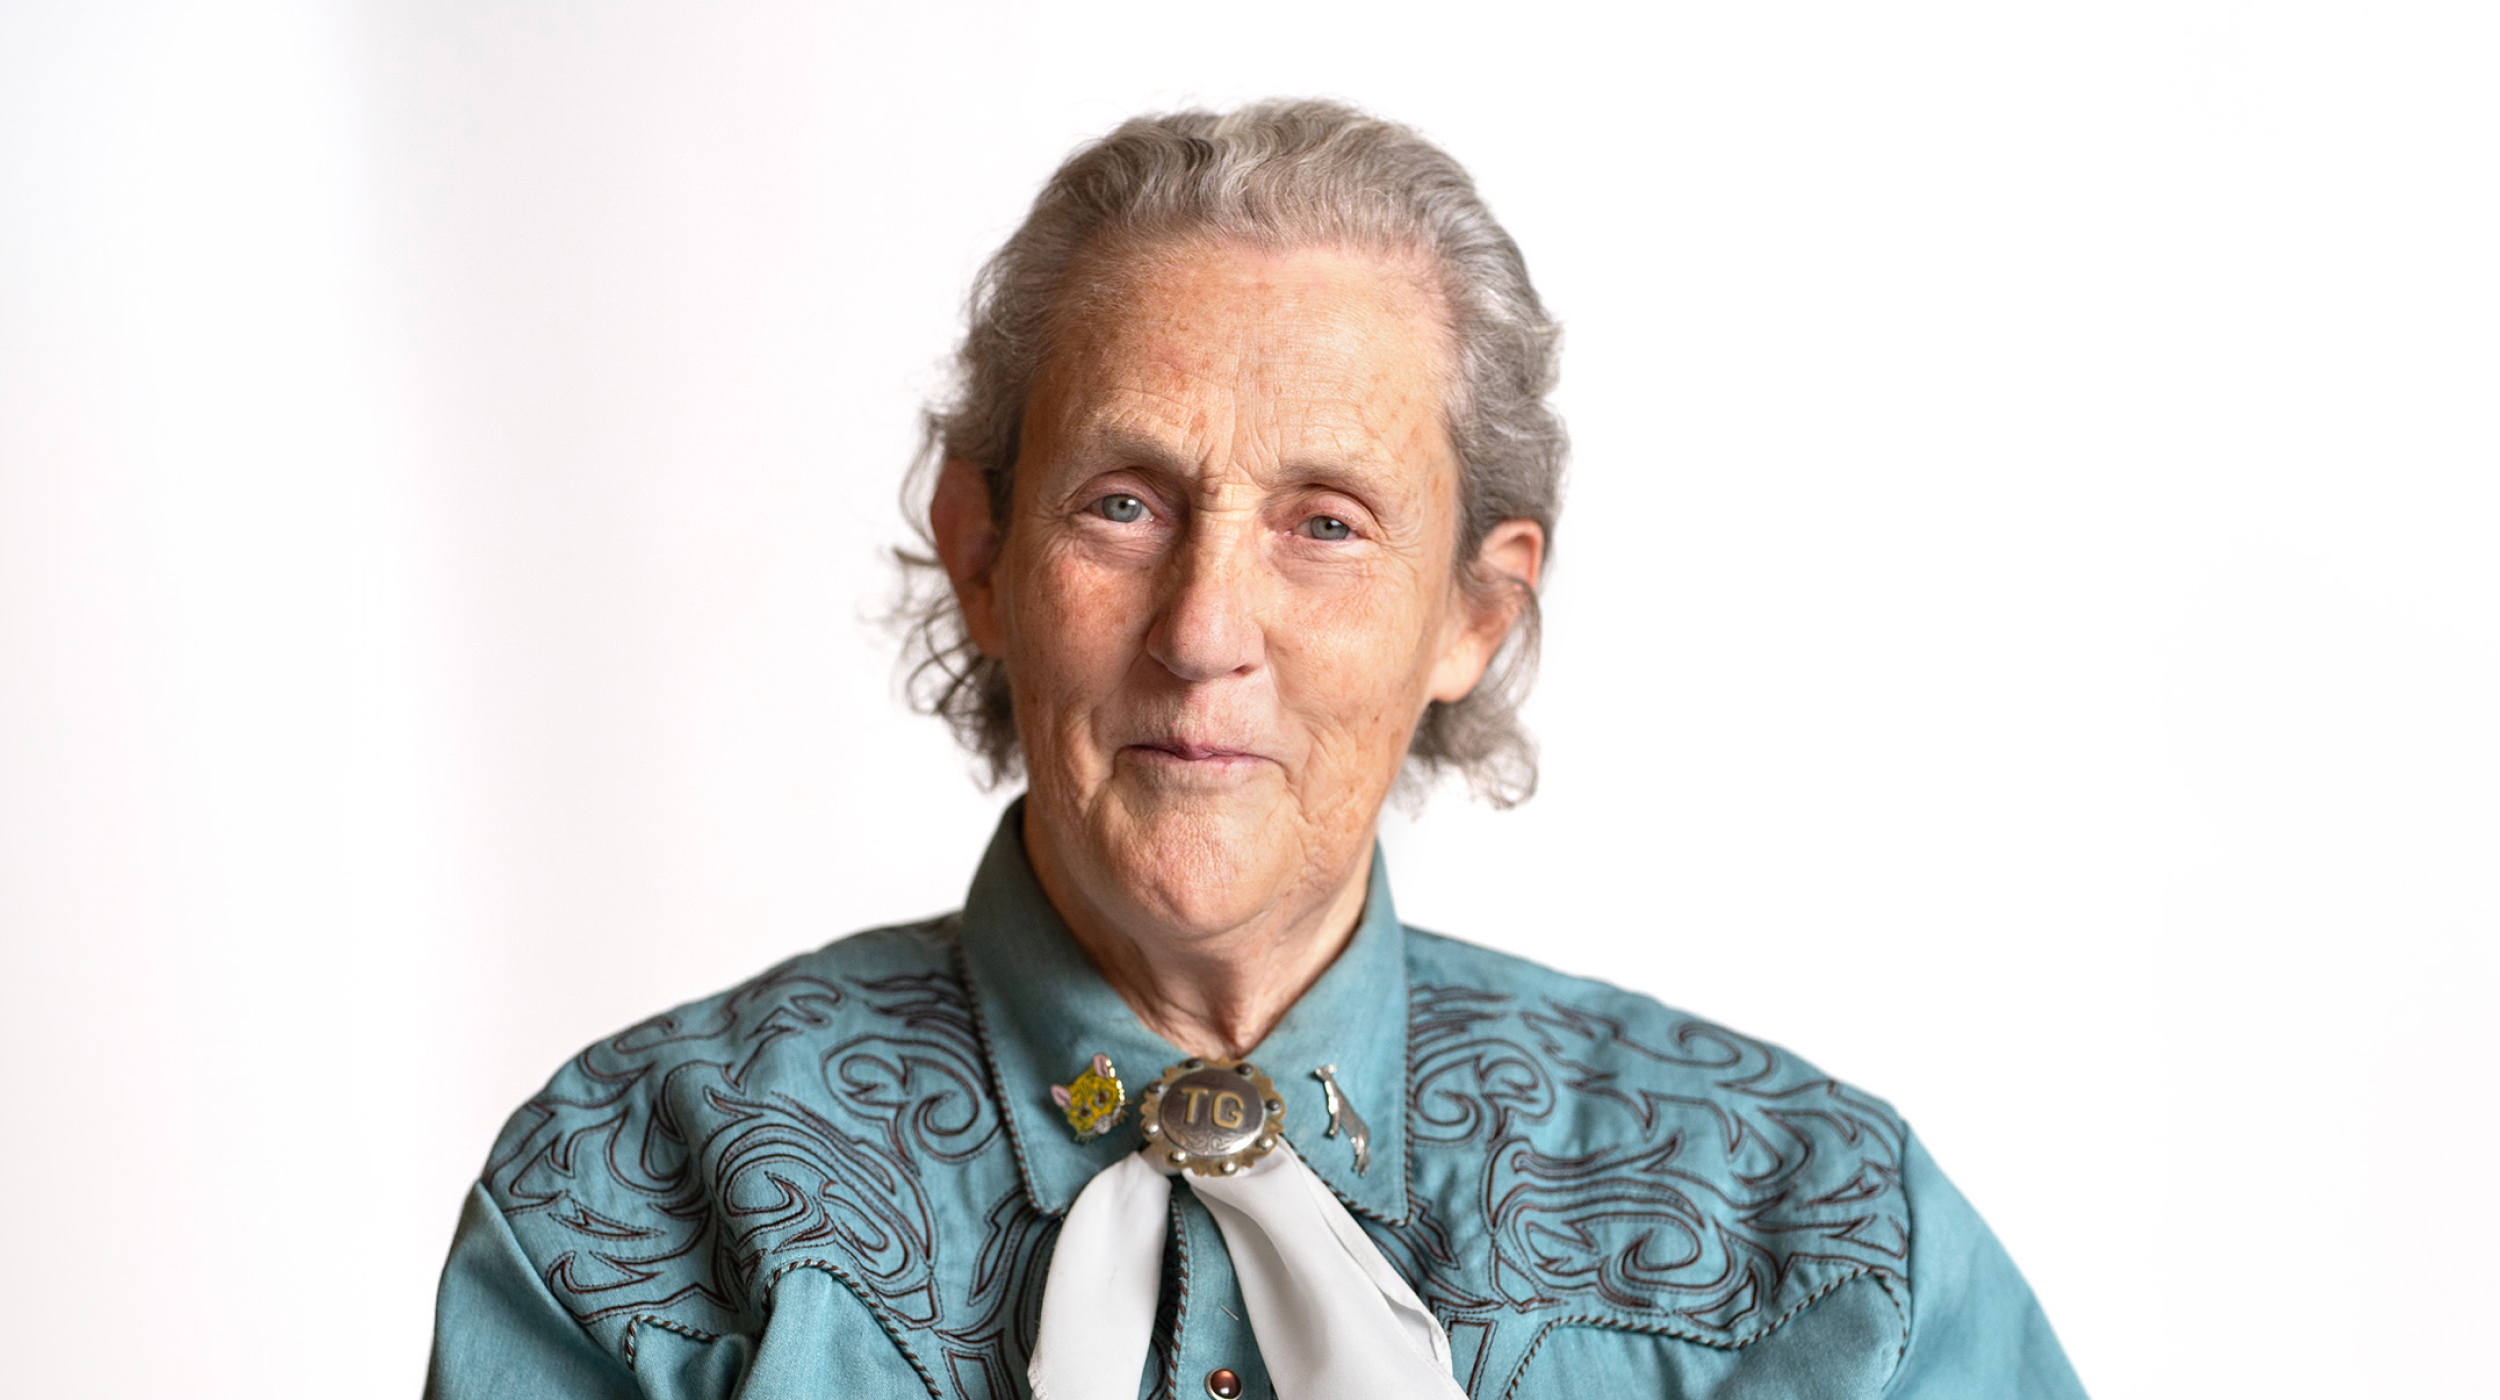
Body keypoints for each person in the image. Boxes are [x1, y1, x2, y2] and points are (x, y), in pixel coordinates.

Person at [425, 100, 2086, 1400]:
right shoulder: (632, 1201)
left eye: (1328, 523)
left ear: (1476, 614)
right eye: (1124, 504)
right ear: (981, 555)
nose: (1205, 625)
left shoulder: (1826, 1246)